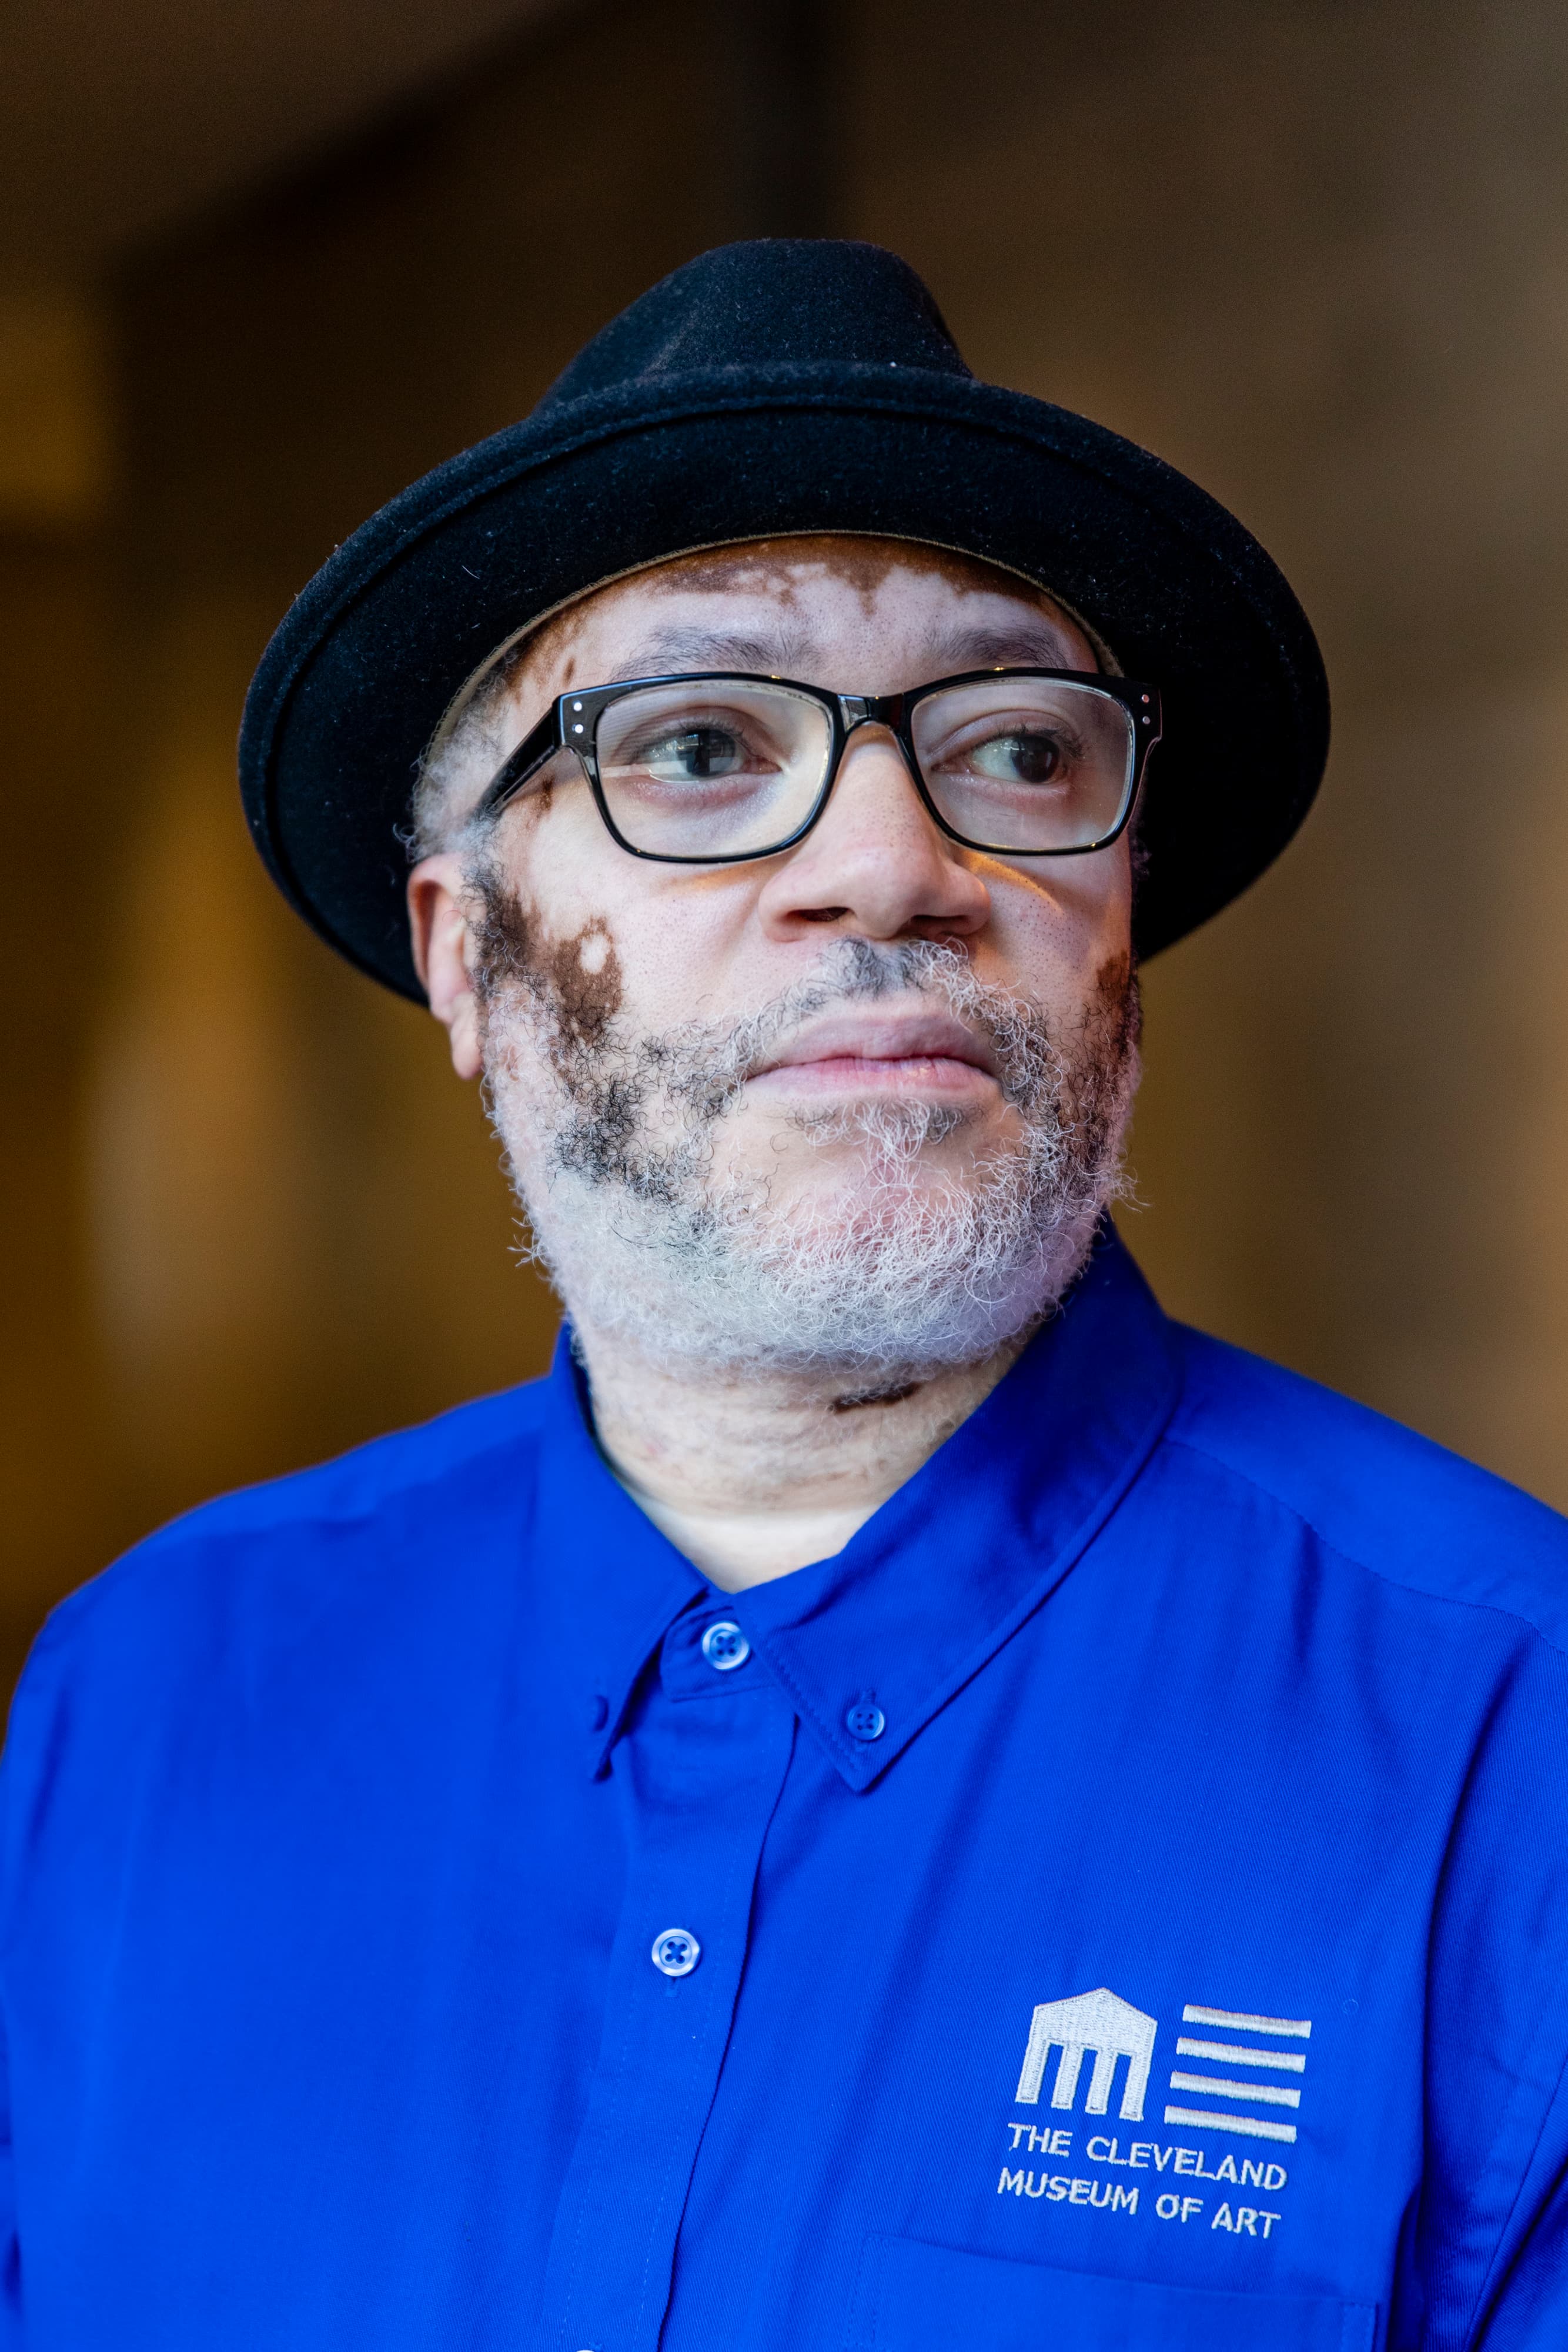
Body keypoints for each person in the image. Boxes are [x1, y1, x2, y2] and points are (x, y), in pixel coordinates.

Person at [2, 240, 1564, 2352]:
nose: (893, 861)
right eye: (703, 744)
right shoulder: (146, 1694)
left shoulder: (1504, 1735)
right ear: (468, 958)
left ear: (1115, 934)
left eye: (1016, 750)